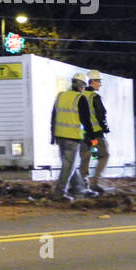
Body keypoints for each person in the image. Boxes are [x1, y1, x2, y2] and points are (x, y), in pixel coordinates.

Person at [50, 72, 95, 201]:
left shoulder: (61, 96)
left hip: (60, 136)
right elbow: (86, 121)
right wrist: (92, 138)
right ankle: (59, 193)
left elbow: (53, 116)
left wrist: (52, 135)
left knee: (70, 164)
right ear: (83, 85)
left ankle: (78, 188)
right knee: (68, 165)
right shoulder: (80, 99)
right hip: (72, 137)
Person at [78, 69, 110, 193]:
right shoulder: (94, 97)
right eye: (99, 81)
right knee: (104, 155)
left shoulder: (80, 95)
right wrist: (105, 128)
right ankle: (95, 182)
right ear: (92, 82)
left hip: (83, 135)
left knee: (86, 157)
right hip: (96, 134)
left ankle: (82, 183)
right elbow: (100, 114)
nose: (100, 84)